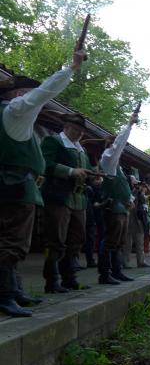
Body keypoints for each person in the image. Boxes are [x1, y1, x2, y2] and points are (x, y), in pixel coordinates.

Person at [0, 46, 86, 316]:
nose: (32, 98)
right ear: (18, 95)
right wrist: (72, 67)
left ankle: (14, 290)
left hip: (14, 183)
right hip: (16, 184)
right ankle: (5, 295)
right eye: (28, 93)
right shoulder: (15, 111)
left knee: (13, 240)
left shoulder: (10, 114)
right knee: (13, 241)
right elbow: (44, 92)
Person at [40, 113, 94, 293]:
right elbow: (45, 163)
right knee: (55, 240)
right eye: (77, 129)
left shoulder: (81, 149)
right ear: (66, 127)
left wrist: (93, 177)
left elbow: (86, 171)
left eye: (82, 131)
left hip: (79, 199)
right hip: (58, 197)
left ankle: (70, 279)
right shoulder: (53, 141)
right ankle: (52, 281)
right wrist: (70, 171)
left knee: (76, 240)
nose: (80, 133)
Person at [97, 110, 138, 285]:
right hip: (113, 207)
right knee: (110, 241)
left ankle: (116, 270)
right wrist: (129, 125)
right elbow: (118, 145)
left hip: (122, 208)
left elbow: (123, 186)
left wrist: (130, 200)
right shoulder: (108, 159)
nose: (121, 149)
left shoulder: (117, 167)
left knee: (119, 242)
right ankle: (104, 274)